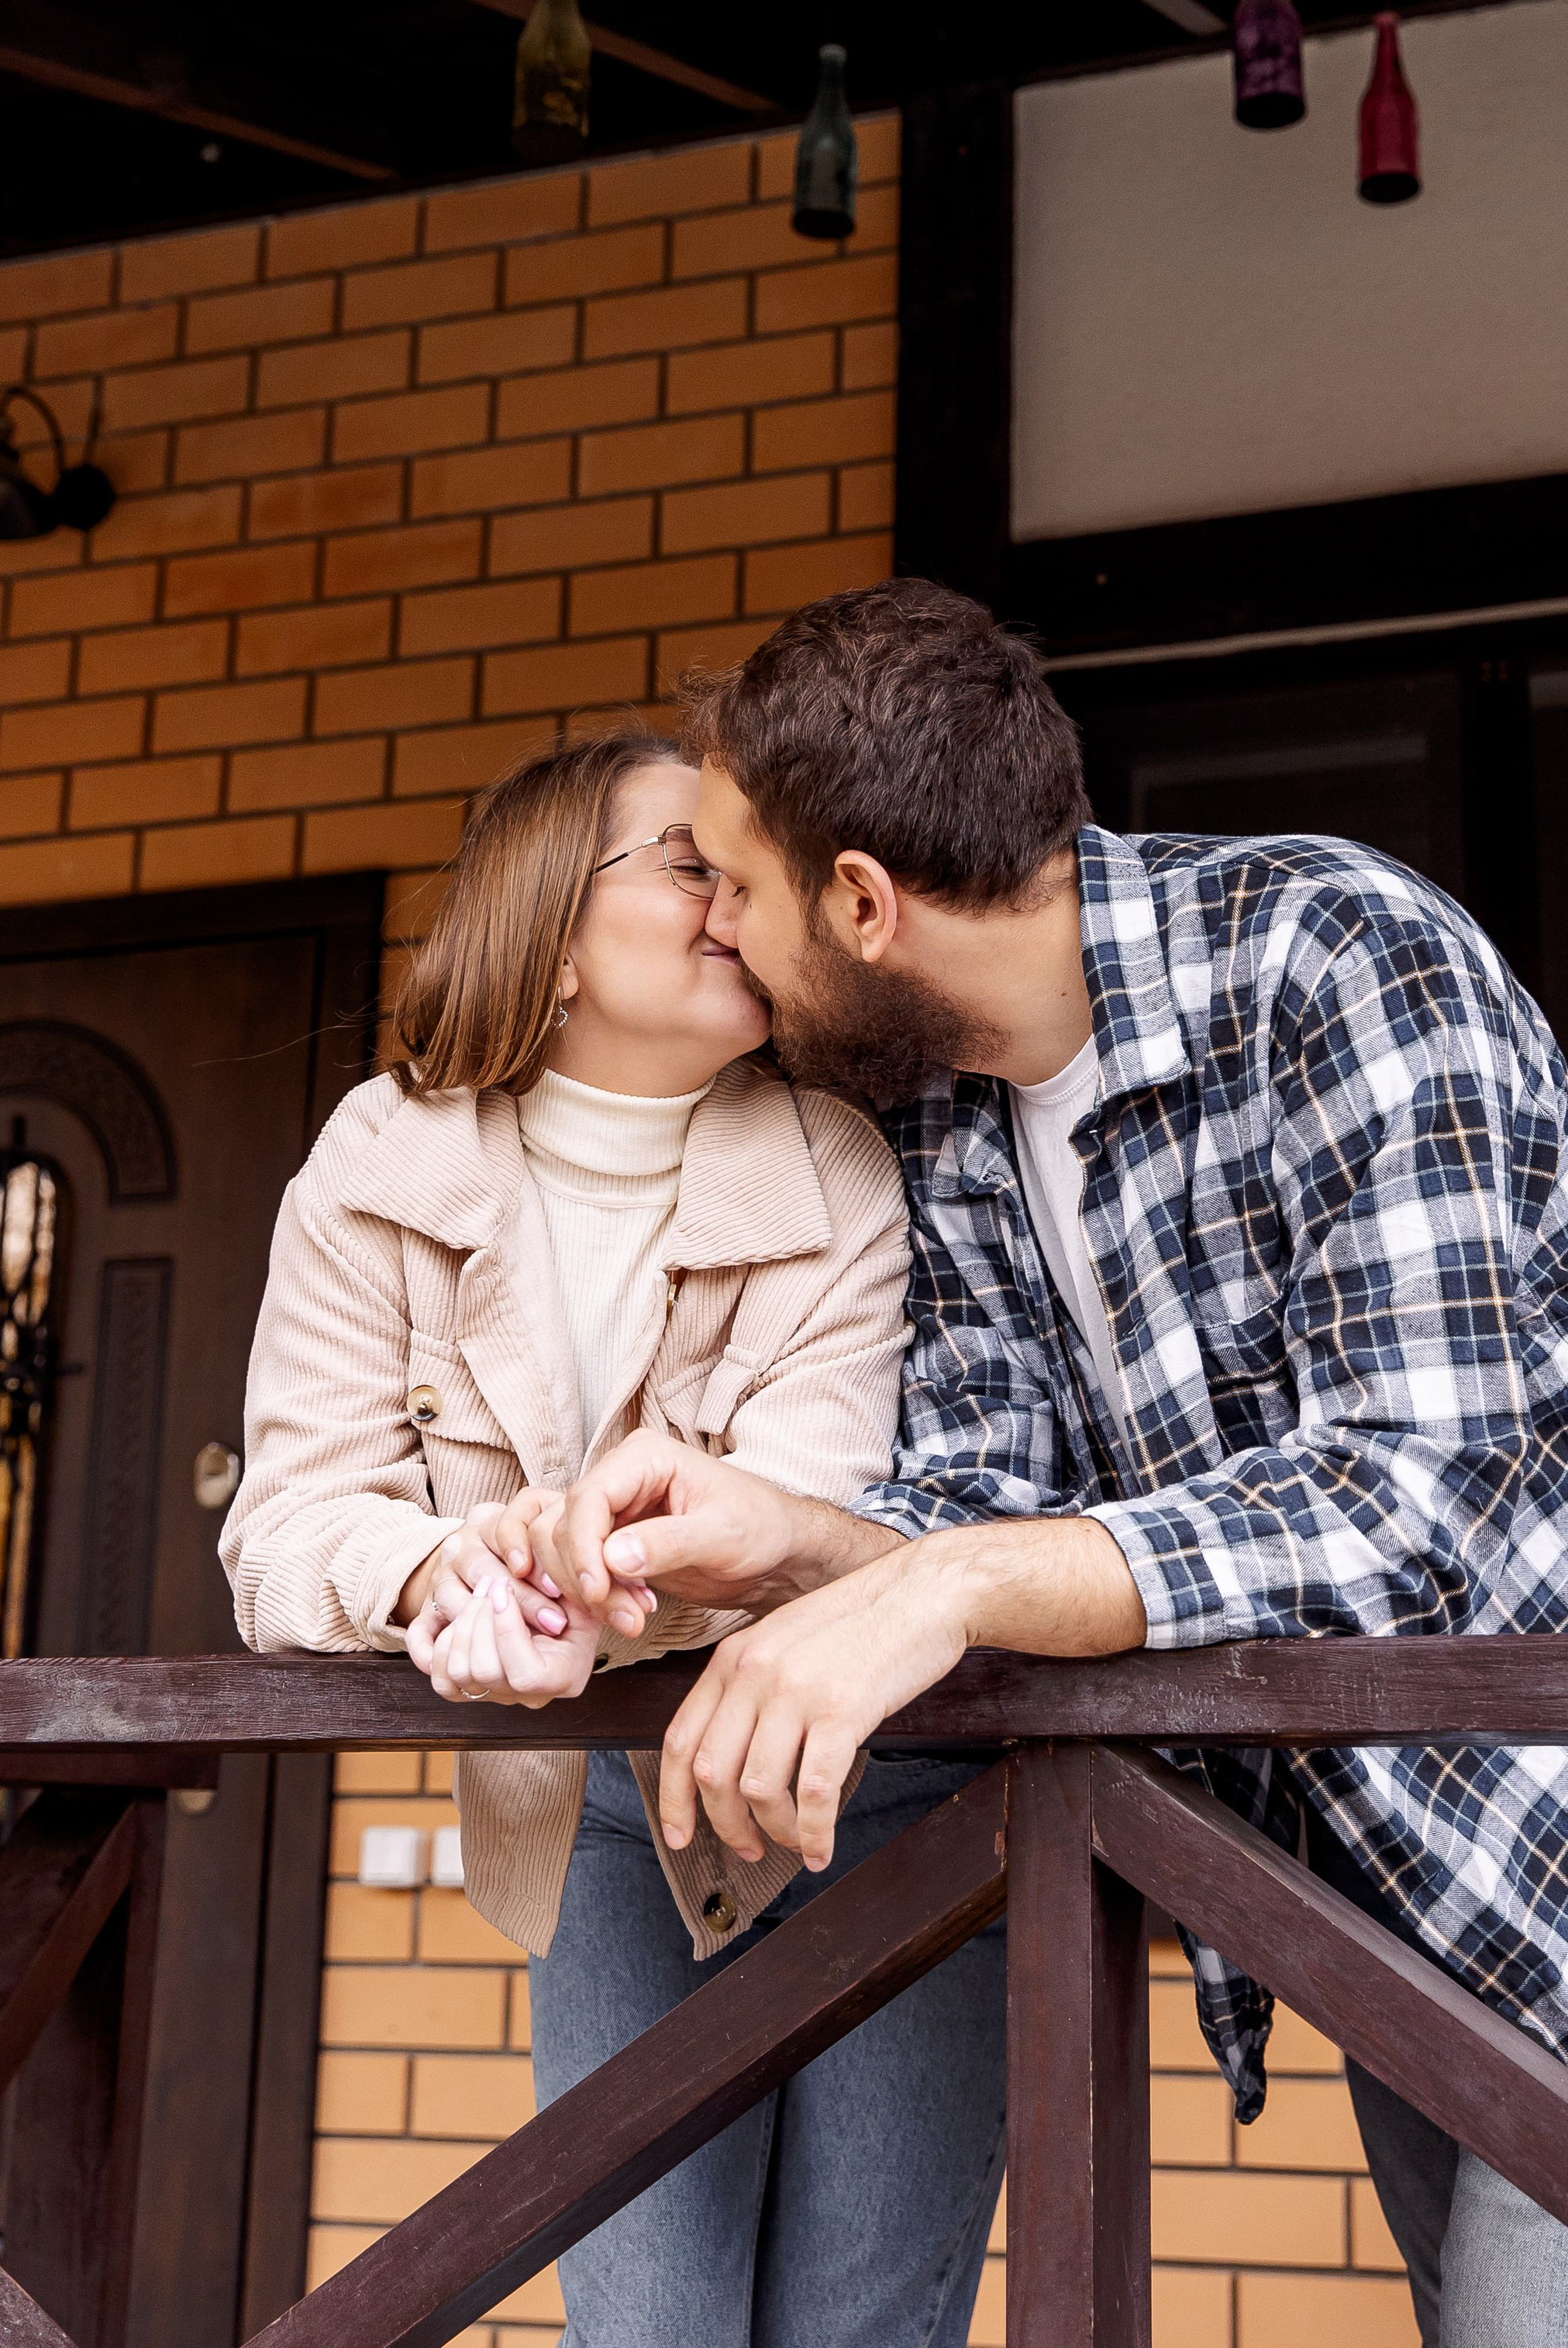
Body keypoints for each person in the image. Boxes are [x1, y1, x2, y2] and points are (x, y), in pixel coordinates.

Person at [504, 579, 1568, 2348]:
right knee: (1485, 2321)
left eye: (738, 889)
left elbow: (1397, 1496)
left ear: (860, 902)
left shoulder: (1338, 957)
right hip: (1383, 1814)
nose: (725, 938)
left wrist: (943, 1583)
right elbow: (980, 1495)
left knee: (1542, 2327)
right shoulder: (946, 1100)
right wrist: (785, 1539)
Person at [218, 727, 1005, 2348]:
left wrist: (562, 1578)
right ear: (550, 923)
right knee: (647, 2331)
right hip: (602, 1799)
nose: (737, 900)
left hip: (890, 1794)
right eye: (687, 864)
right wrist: (438, 1572)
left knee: (860, 2333)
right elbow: (286, 1525)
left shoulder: (832, 1163)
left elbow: (807, 1511)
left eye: (747, 870)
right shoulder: (374, 1166)